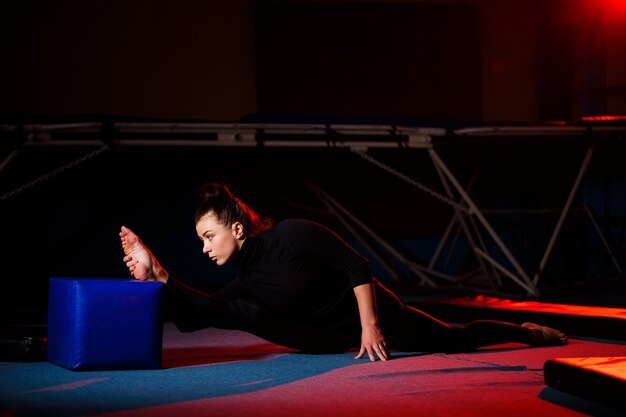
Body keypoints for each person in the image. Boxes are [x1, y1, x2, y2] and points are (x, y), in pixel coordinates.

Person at [120, 182, 568, 362]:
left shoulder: (292, 235)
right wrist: (162, 279)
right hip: (325, 338)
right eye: (200, 240)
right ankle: (159, 275)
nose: (204, 248)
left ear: (236, 228)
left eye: (209, 236)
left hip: (371, 320)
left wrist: (371, 327)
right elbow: (207, 311)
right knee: (235, 310)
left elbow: (357, 265)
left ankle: (527, 332)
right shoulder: (248, 280)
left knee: (452, 340)